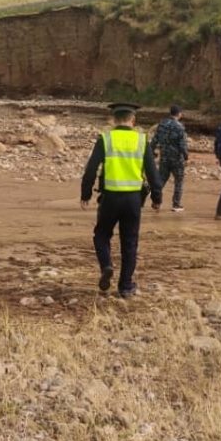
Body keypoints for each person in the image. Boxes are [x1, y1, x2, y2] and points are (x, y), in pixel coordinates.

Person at [81, 103, 163, 297]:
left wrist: (86, 194)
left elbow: (91, 169)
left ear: (113, 120)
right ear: (133, 121)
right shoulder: (141, 140)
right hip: (133, 199)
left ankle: (107, 265)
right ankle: (125, 287)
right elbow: (152, 172)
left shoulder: (106, 139)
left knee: (101, 235)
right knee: (130, 242)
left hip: (110, 197)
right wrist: (157, 197)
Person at [151, 104, 189, 212]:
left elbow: (155, 140)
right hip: (177, 159)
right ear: (179, 114)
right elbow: (182, 145)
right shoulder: (179, 127)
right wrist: (186, 156)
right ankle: (176, 204)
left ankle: (156, 201)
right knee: (178, 182)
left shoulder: (162, 124)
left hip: (164, 157)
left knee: (161, 180)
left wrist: (151, 151)